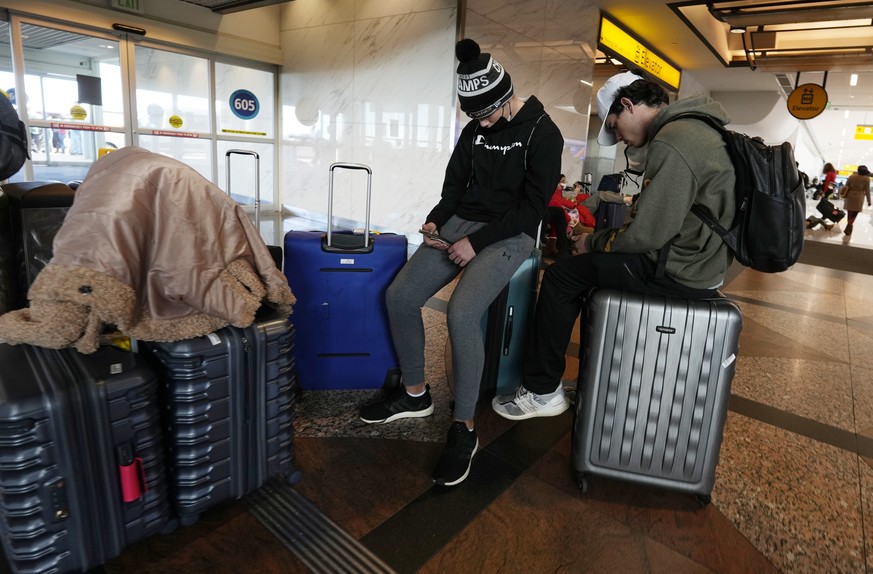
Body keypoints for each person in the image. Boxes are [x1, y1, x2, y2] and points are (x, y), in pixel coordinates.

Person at [358, 38, 563, 486]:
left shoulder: (543, 133)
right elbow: (454, 186)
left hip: (510, 232)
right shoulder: (475, 131)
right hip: (463, 222)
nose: (483, 124)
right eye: (474, 117)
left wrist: (477, 243)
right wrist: (435, 221)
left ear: (507, 97)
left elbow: (532, 209)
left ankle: (464, 426)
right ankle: (415, 394)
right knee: (399, 295)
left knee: (463, 311)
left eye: (488, 113)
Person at [492, 70, 736, 421]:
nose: (620, 139)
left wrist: (592, 241)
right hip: (700, 262)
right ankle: (588, 383)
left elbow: (646, 235)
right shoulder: (698, 127)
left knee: (562, 277)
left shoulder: (674, 138)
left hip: (681, 268)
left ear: (627, 105)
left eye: (616, 128)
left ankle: (542, 391)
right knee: (590, 277)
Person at [840, 165, 871, 235]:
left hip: (850, 196)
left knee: (850, 212)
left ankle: (849, 225)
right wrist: (869, 201)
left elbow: (846, 186)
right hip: (859, 197)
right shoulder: (867, 179)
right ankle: (849, 225)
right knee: (855, 213)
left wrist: (843, 195)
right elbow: (867, 191)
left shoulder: (852, 176)